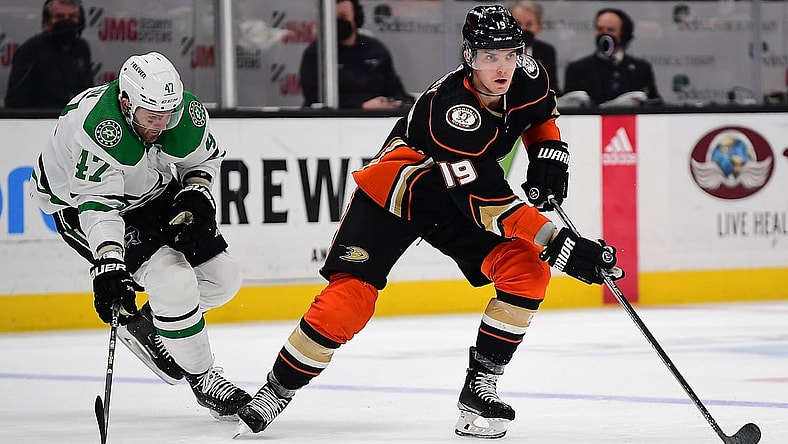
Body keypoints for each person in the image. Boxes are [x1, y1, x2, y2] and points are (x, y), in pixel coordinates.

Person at [235, 5, 622, 439]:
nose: (502, 67)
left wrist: (547, 151)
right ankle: (276, 389)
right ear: (468, 56)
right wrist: (558, 243)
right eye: (490, 56)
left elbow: (540, 115)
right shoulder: (450, 112)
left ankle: (480, 386)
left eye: (510, 54)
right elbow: (491, 206)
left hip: (453, 201)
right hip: (395, 194)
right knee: (350, 300)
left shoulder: (528, 74)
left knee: (526, 271)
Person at [30, 51, 252, 419]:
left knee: (224, 278)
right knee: (173, 281)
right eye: (152, 117)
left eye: (168, 115)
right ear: (125, 103)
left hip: (150, 189)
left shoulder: (181, 113)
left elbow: (202, 159)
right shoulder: (98, 129)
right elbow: (99, 206)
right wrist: (109, 263)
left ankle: (150, 327)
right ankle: (204, 378)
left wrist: (196, 192)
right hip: (82, 202)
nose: (161, 126)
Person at [298, 0, 414, 110]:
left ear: (356, 17)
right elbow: (313, 98)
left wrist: (397, 102)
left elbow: (395, 89)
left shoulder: (375, 49)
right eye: (334, 18)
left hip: (377, 119)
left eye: (343, 16)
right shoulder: (318, 53)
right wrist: (361, 106)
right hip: (335, 120)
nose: (339, 22)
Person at [562, 8, 662, 107]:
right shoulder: (577, 69)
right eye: (600, 29)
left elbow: (655, 104)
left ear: (623, 33)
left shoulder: (641, 68)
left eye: (610, 30)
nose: (604, 35)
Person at [5, 0, 93, 109]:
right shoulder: (31, 50)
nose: (67, 22)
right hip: (41, 117)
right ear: (45, 23)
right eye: (59, 17)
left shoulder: (82, 48)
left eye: (72, 17)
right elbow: (14, 102)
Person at [508, 0, 560, 95]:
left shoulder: (546, 51)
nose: (523, 29)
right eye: (518, 24)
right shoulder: (498, 52)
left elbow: (552, 87)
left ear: (538, 27)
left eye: (529, 24)